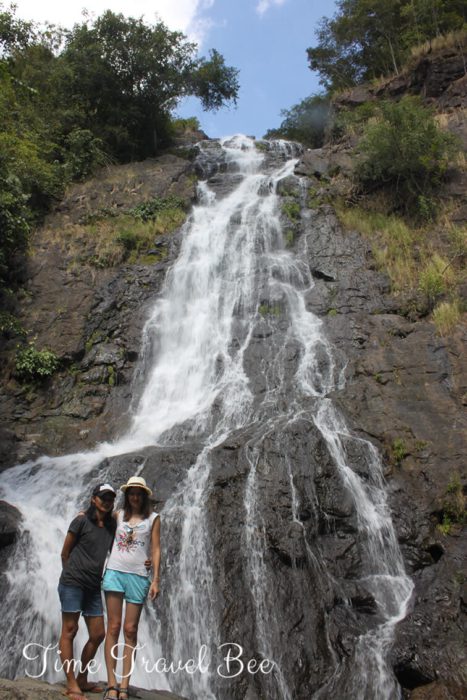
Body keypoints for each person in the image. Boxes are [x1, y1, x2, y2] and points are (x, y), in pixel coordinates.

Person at [102, 476, 160, 700]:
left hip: (138, 577)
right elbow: (95, 519)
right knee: (113, 628)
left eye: (138, 493)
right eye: (132, 493)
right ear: (127, 496)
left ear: (144, 496)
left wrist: (156, 579)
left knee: (130, 630)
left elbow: (155, 549)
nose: (135, 497)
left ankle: (124, 684)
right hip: (114, 573)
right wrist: (81, 514)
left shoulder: (153, 519)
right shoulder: (117, 516)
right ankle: (111, 683)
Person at [58, 483, 117, 700]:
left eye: (110, 498)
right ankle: (71, 683)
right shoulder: (81, 520)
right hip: (73, 583)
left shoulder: (112, 526)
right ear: (94, 499)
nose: (106, 501)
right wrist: (71, 576)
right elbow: (65, 553)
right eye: (103, 497)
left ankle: (82, 678)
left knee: (98, 634)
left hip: (93, 586)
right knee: (70, 630)